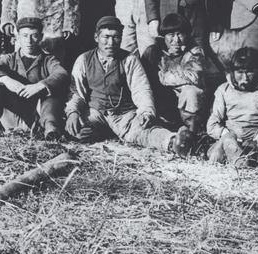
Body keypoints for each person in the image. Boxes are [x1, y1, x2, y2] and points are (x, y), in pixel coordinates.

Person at [65, 16, 194, 157]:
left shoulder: (130, 60)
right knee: (78, 132)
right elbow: (76, 91)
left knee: (143, 131)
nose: (110, 42)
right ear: (96, 37)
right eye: (106, 37)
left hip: (124, 115)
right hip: (96, 114)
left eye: (116, 37)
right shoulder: (84, 60)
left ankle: (175, 142)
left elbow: (141, 89)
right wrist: (73, 112)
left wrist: (146, 112)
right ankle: (104, 132)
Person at [0, 17, 68, 139]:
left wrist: (39, 86)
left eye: (34, 36)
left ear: (41, 37)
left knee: (52, 88)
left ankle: (50, 128)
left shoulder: (48, 60)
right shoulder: (9, 59)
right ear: (17, 38)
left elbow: (61, 74)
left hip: (38, 116)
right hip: (12, 116)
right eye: (24, 36)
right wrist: (6, 80)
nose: (29, 41)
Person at [207, 47, 258, 166]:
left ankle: (237, 156)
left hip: (256, 139)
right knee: (214, 143)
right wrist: (224, 133)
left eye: (250, 72)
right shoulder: (223, 90)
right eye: (240, 72)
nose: (245, 78)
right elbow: (212, 123)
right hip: (231, 135)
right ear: (232, 72)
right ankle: (225, 149)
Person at [140, 13, 208, 134]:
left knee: (190, 91)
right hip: (162, 103)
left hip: (185, 106)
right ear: (164, 36)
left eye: (180, 34)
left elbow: (193, 77)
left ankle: (193, 132)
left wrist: (161, 76)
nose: (176, 40)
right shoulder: (153, 52)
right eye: (171, 34)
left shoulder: (194, 52)